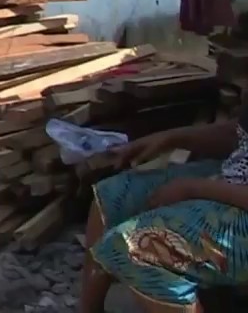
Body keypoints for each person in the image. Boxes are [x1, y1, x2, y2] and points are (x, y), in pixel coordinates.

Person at [79, 116, 248, 313]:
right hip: (233, 178)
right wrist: (169, 138)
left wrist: (194, 189)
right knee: (112, 195)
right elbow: (236, 133)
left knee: (135, 246)